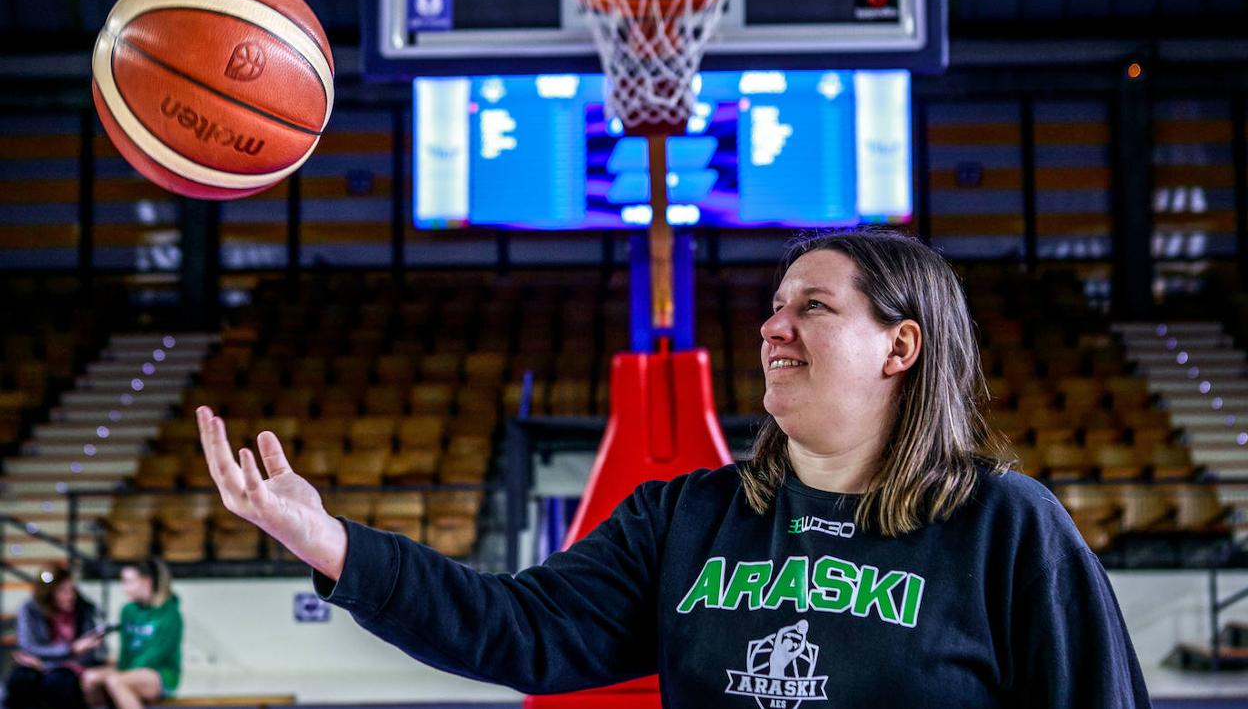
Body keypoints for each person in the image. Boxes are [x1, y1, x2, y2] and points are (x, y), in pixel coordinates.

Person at [195, 229, 1151, 707]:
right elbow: (515, 629)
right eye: (774, 305)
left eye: (812, 307)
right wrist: (328, 543)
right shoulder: (685, 519)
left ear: (900, 347)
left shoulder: (1007, 526)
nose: (773, 326)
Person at [81, 559, 183, 709]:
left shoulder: (170, 614)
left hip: (160, 673)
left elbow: (156, 654)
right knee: (89, 678)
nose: (124, 588)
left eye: (128, 581)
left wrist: (124, 672)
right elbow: (126, 649)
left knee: (116, 681)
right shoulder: (128, 610)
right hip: (130, 668)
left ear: (146, 582)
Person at [6, 565, 105, 709]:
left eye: (72, 590)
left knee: (61, 680)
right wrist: (71, 648)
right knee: (22, 679)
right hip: (38, 665)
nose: (71, 596)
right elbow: (28, 646)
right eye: (63, 591)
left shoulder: (84, 608)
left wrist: (45, 664)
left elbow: (90, 652)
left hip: (68, 667)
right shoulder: (29, 608)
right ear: (49, 594)